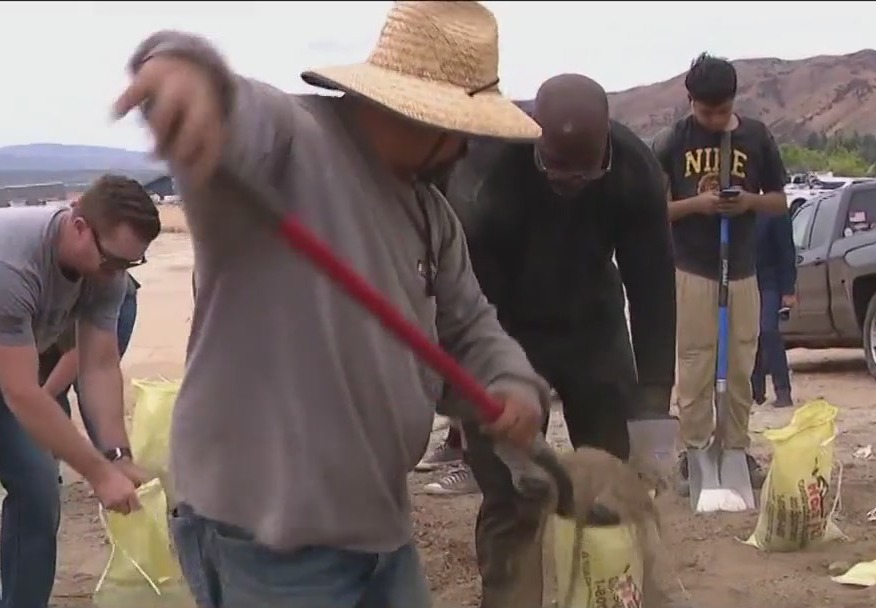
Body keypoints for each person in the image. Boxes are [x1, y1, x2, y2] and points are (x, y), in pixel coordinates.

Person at [112, 3, 549, 606]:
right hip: (268, 539)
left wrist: (511, 383)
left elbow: (470, 324)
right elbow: (238, 112)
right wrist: (186, 72)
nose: (469, 147)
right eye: (467, 129)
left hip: (379, 528)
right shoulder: (291, 143)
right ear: (428, 117)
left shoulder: (430, 216)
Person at [441, 73, 676, 608]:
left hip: (594, 329)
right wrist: (484, 395)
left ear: (607, 153)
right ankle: (510, 598)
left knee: (612, 481)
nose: (568, 182)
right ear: (535, 143)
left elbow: (653, 289)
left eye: (583, 173)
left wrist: (654, 406)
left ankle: (609, 591)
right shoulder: (489, 171)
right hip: (507, 330)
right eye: (555, 170)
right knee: (512, 492)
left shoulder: (635, 173)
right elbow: (468, 300)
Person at [0, 175, 159, 608]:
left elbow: (99, 366)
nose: (116, 275)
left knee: (38, 491)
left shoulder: (107, 270)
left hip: (10, 375)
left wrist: (116, 456)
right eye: (112, 261)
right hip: (11, 377)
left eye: (129, 265)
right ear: (78, 225)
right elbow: (22, 392)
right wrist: (97, 473)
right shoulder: (12, 263)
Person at [651, 53, 788, 488]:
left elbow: (780, 200)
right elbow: (653, 211)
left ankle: (735, 450)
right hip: (693, 269)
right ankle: (696, 451)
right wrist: (698, 205)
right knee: (695, 364)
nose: (714, 118)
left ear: (735, 100)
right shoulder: (672, 141)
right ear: (690, 99)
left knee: (741, 363)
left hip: (743, 269)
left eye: (722, 110)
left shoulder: (757, 137)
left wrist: (748, 202)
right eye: (705, 110)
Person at [43, 271, 141, 448]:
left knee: (89, 387)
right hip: (42, 301)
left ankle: (113, 461)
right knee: (42, 385)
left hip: (101, 294)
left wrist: (40, 398)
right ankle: (50, 467)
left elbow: (77, 354)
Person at [751, 210, 797, 407]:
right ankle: (756, 392)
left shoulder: (773, 213)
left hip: (769, 283)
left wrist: (788, 289)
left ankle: (783, 390)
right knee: (749, 336)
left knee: (768, 331)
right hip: (745, 280)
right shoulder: (739, 212)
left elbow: (786, 251)